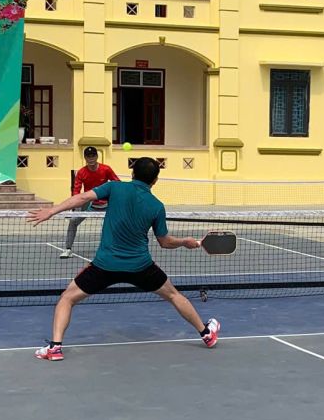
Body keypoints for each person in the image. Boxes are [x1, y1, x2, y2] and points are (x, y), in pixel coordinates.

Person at [26, 157, 220, 361]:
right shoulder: (156, 206)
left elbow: (82, 198)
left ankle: (55, 348)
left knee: (67, 298)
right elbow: (165, 242)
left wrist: (51, 211)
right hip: (140, 267)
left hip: (105, 266)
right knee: (174, 295)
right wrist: (184, 242)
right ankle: (206, 333)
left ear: (133, 173)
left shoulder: (114, 187)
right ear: (155, 180)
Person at [60, 146, 119, 258]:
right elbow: (76, 190)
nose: (91, 158)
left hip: (106, 204)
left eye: (93, 156)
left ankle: (116, 248)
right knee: (73, 222)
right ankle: (68, 249)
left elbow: (117, 183)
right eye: (88, 156)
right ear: (85, 158)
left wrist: (116, 199)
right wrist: (74, 204)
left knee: (116, 224)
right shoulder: (81, 172)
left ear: (97, 157)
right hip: (89, 204)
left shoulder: (106, 169)